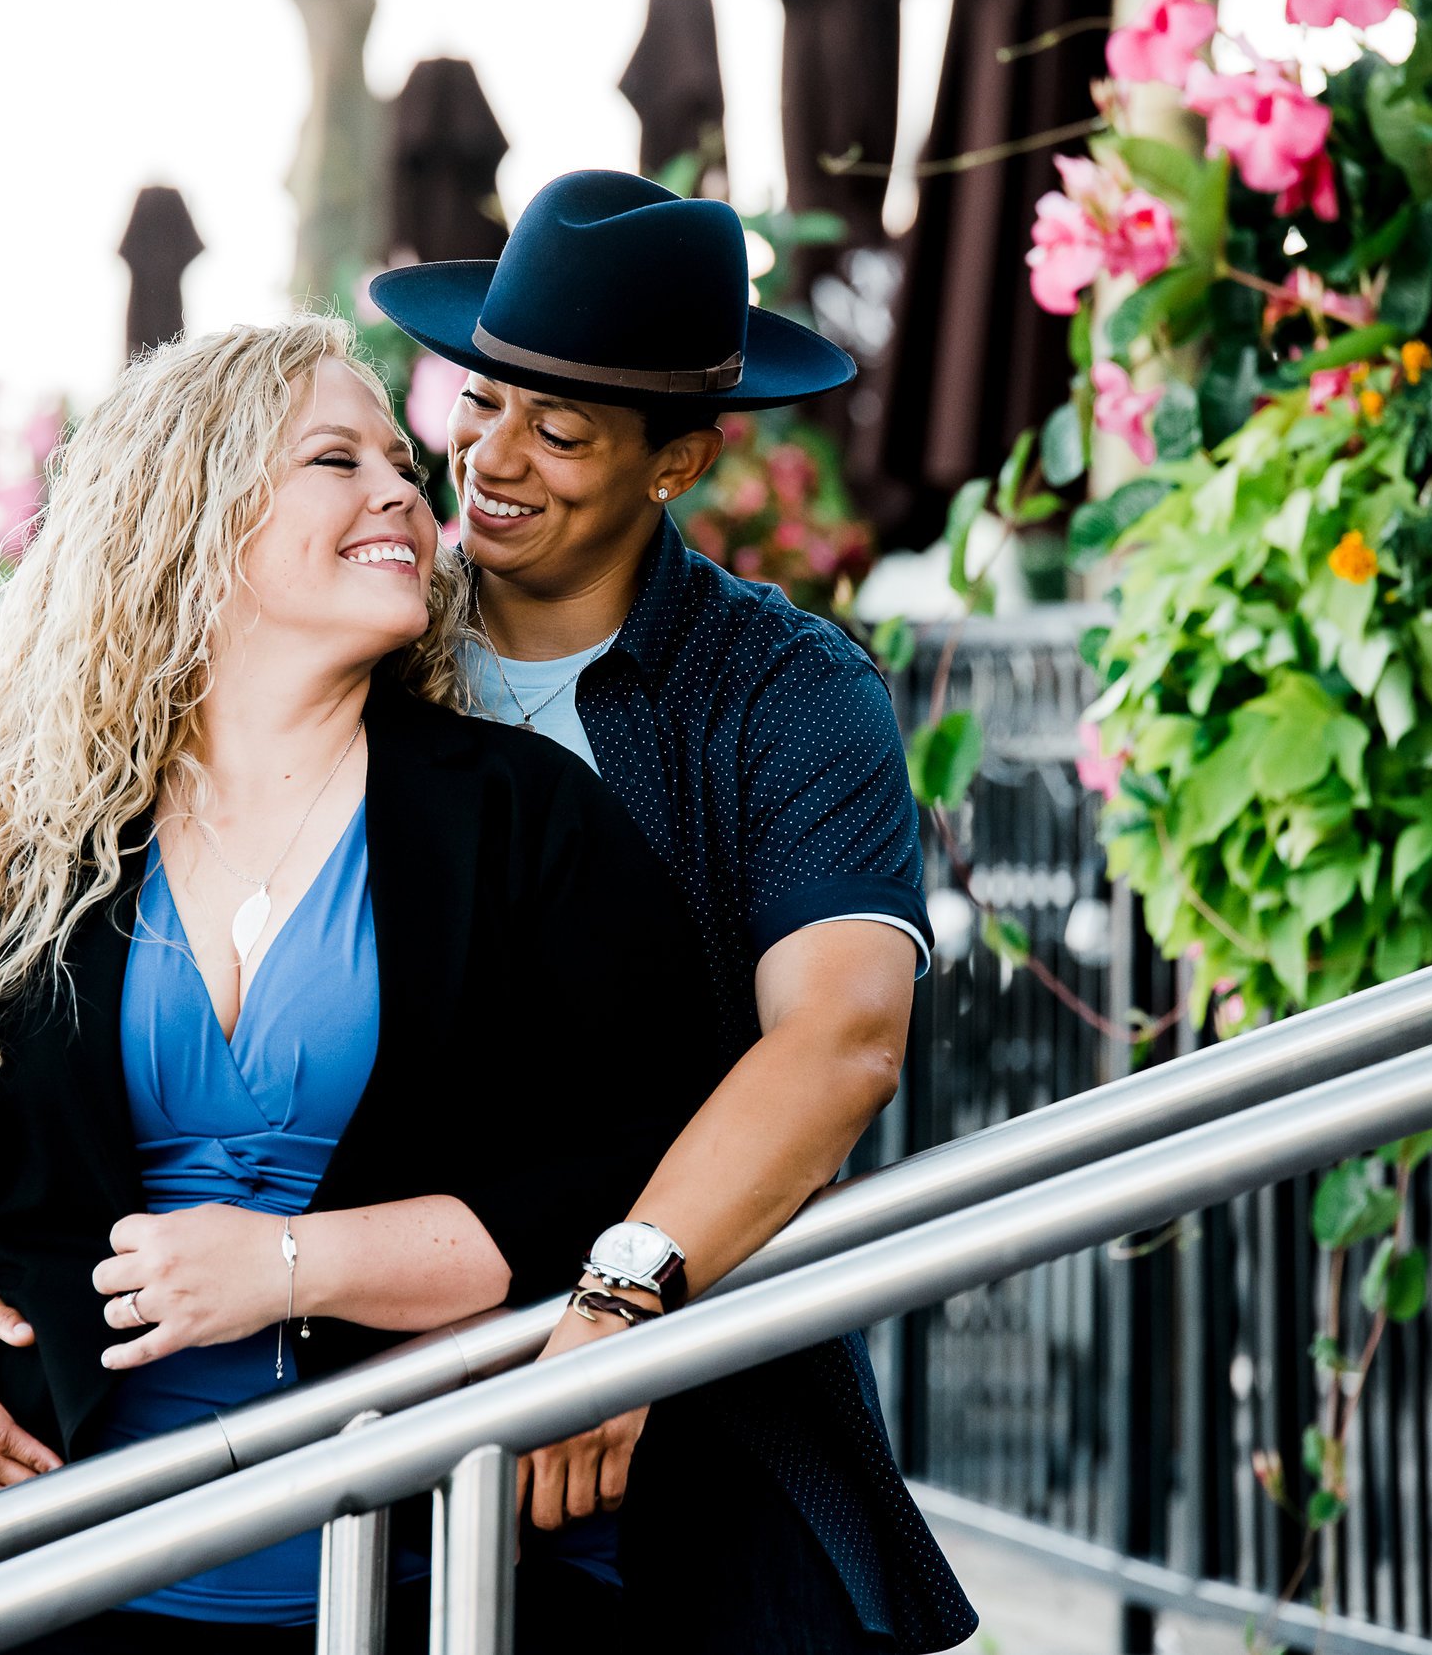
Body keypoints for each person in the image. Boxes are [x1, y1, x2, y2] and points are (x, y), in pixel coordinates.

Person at [0, 315, 714, 1654]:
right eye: (335, 459)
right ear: (196, 513)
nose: (403, 491)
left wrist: (294, 1264)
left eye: (399, 463)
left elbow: (640, 1162)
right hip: (56, 1567)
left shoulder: (522, 818)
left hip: (419, 1577)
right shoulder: (35, 841)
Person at [366, 168, 982, 1654]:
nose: (493, 457)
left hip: (700, 1385)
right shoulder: (353, 653)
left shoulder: (787, 690)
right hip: (367, 1395)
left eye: (561, 430)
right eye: (486, 397)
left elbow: (838, 1041)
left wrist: (622, 1301)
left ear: (680, 461)